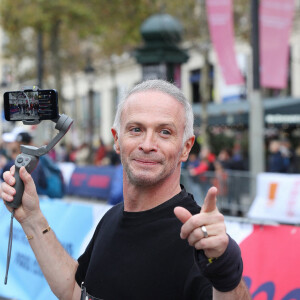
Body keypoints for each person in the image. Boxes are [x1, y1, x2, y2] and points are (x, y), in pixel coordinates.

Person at [1, 79, 251, 299]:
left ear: (186, 148)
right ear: (117, 140)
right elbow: (75, 292)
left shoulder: (197, 237)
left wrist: (224, 268)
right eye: (136, 129)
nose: (147, 144)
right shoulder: (111, 218)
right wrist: (32, 218)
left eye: (165, 132)